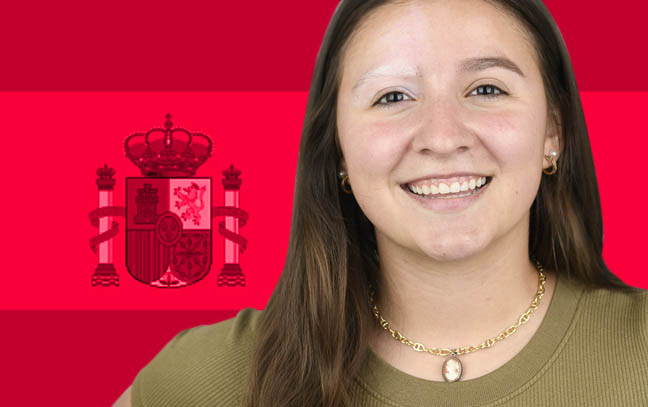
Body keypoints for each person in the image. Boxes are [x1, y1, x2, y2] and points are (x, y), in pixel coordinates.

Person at [116, 0, 648, 406]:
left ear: (553, 131)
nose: (442, 137)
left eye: (486, 89)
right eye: (393, 97)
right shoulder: (209, 379)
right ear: (340, 151)